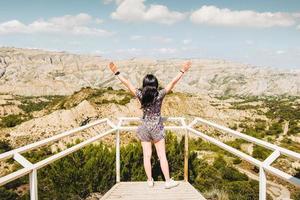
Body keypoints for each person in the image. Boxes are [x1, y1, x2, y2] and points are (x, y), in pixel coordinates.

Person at [108, 61, 192, 189]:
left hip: (144, 128)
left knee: (146, 156)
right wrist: (182, 71)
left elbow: (127, 83)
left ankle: (149, 180)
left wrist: (116, 73)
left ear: (144, 84)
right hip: (157, 128)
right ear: (156, 85)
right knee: (161, 155)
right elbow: (173, 83)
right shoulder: (159, 95)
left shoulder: (140, 95)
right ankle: (168, 181)